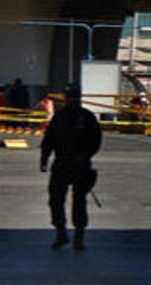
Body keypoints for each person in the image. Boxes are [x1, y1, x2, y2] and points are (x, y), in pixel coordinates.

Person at [40, 84, 103, 251]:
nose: (72, 101)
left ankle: (79, 236)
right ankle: (61, 232)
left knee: (79, 201)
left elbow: (96, 140)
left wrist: (86, 155)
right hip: (61, 164)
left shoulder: (86, 117)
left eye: (75, 98)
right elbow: (49, 139)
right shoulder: (60, 117)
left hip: (81, 166)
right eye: (70, 98)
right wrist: (44, 159)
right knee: (56, 200)